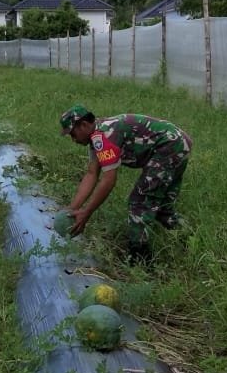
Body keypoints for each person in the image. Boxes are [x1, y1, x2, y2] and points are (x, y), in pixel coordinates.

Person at [60, 104, 192, 263]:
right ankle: (192, 242)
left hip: (169, 145)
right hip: (177, 142)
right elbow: (92, 174)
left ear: (84, 125)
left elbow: (108, 180)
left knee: (139, 203)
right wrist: (72, 210)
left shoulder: (104, 136)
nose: (73, 140)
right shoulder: (97, 138)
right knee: (162, 207)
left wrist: (86, 213)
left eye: (73, 134)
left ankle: (139, 260)